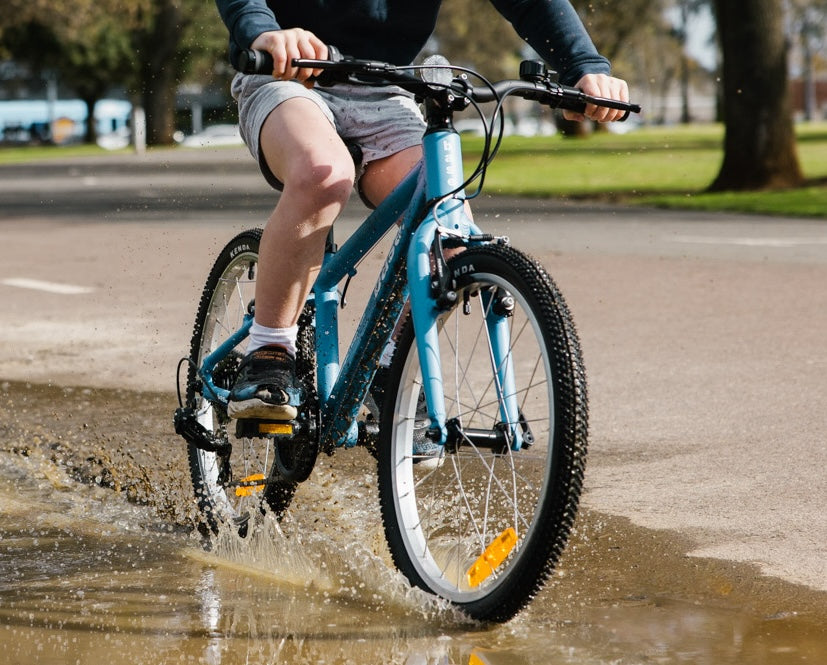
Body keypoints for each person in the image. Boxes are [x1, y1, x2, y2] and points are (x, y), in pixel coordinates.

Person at [214, 0, 630, 421]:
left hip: (388, 88)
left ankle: (391, 371)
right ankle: (269, 349)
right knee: (324, 176)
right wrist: (261, 31)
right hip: (288, 77)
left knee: (449, 234)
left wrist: (584, 65)